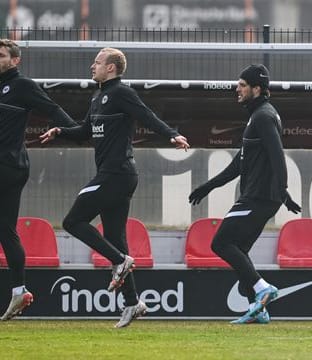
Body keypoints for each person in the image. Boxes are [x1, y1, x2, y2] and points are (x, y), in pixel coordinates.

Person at [40, 47, 190, 328]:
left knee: (72, 221)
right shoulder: (97, 97)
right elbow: (85, 131)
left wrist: (171, 134)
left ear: (111, 68)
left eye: (97, 62)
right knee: (115, 238)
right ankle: (133, 303)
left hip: (117, 175)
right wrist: (60, 131)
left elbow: (146, 116)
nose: (91, 66)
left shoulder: (122, 93)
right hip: (112, 175)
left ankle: (120, 261)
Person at [189, 64, 300, 324]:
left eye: (241, 85)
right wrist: (209, 186)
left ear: (256, 89)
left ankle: (263, 290)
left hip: (258, 196)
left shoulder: (263, 116)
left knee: (221, 243)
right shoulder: (257, 116)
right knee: (239, 249)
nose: (236, 89)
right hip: (263, 196)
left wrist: (283, 190)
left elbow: (277, 155)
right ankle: (258, 309)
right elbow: (240, 163)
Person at [0, 39, 78, 320]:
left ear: (15, 60)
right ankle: (19, 290)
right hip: (12, 167)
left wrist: (77, 130)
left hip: (8, 165)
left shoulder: (22, 85)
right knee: (6, 230)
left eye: (1, 56)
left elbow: (53, 109)